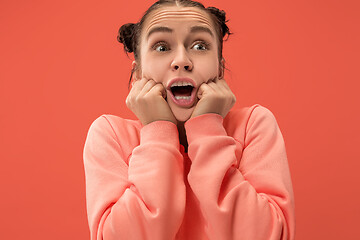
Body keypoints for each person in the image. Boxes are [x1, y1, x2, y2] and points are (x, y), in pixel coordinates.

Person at [82, 0, 296, 239]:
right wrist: (157, 134)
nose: (182, 60)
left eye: (200, 46)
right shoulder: (109, 135)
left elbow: (267, 234)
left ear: (220, 69)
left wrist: (208, 129)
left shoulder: (253, 125)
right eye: (162, 48)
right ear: (138, 73)